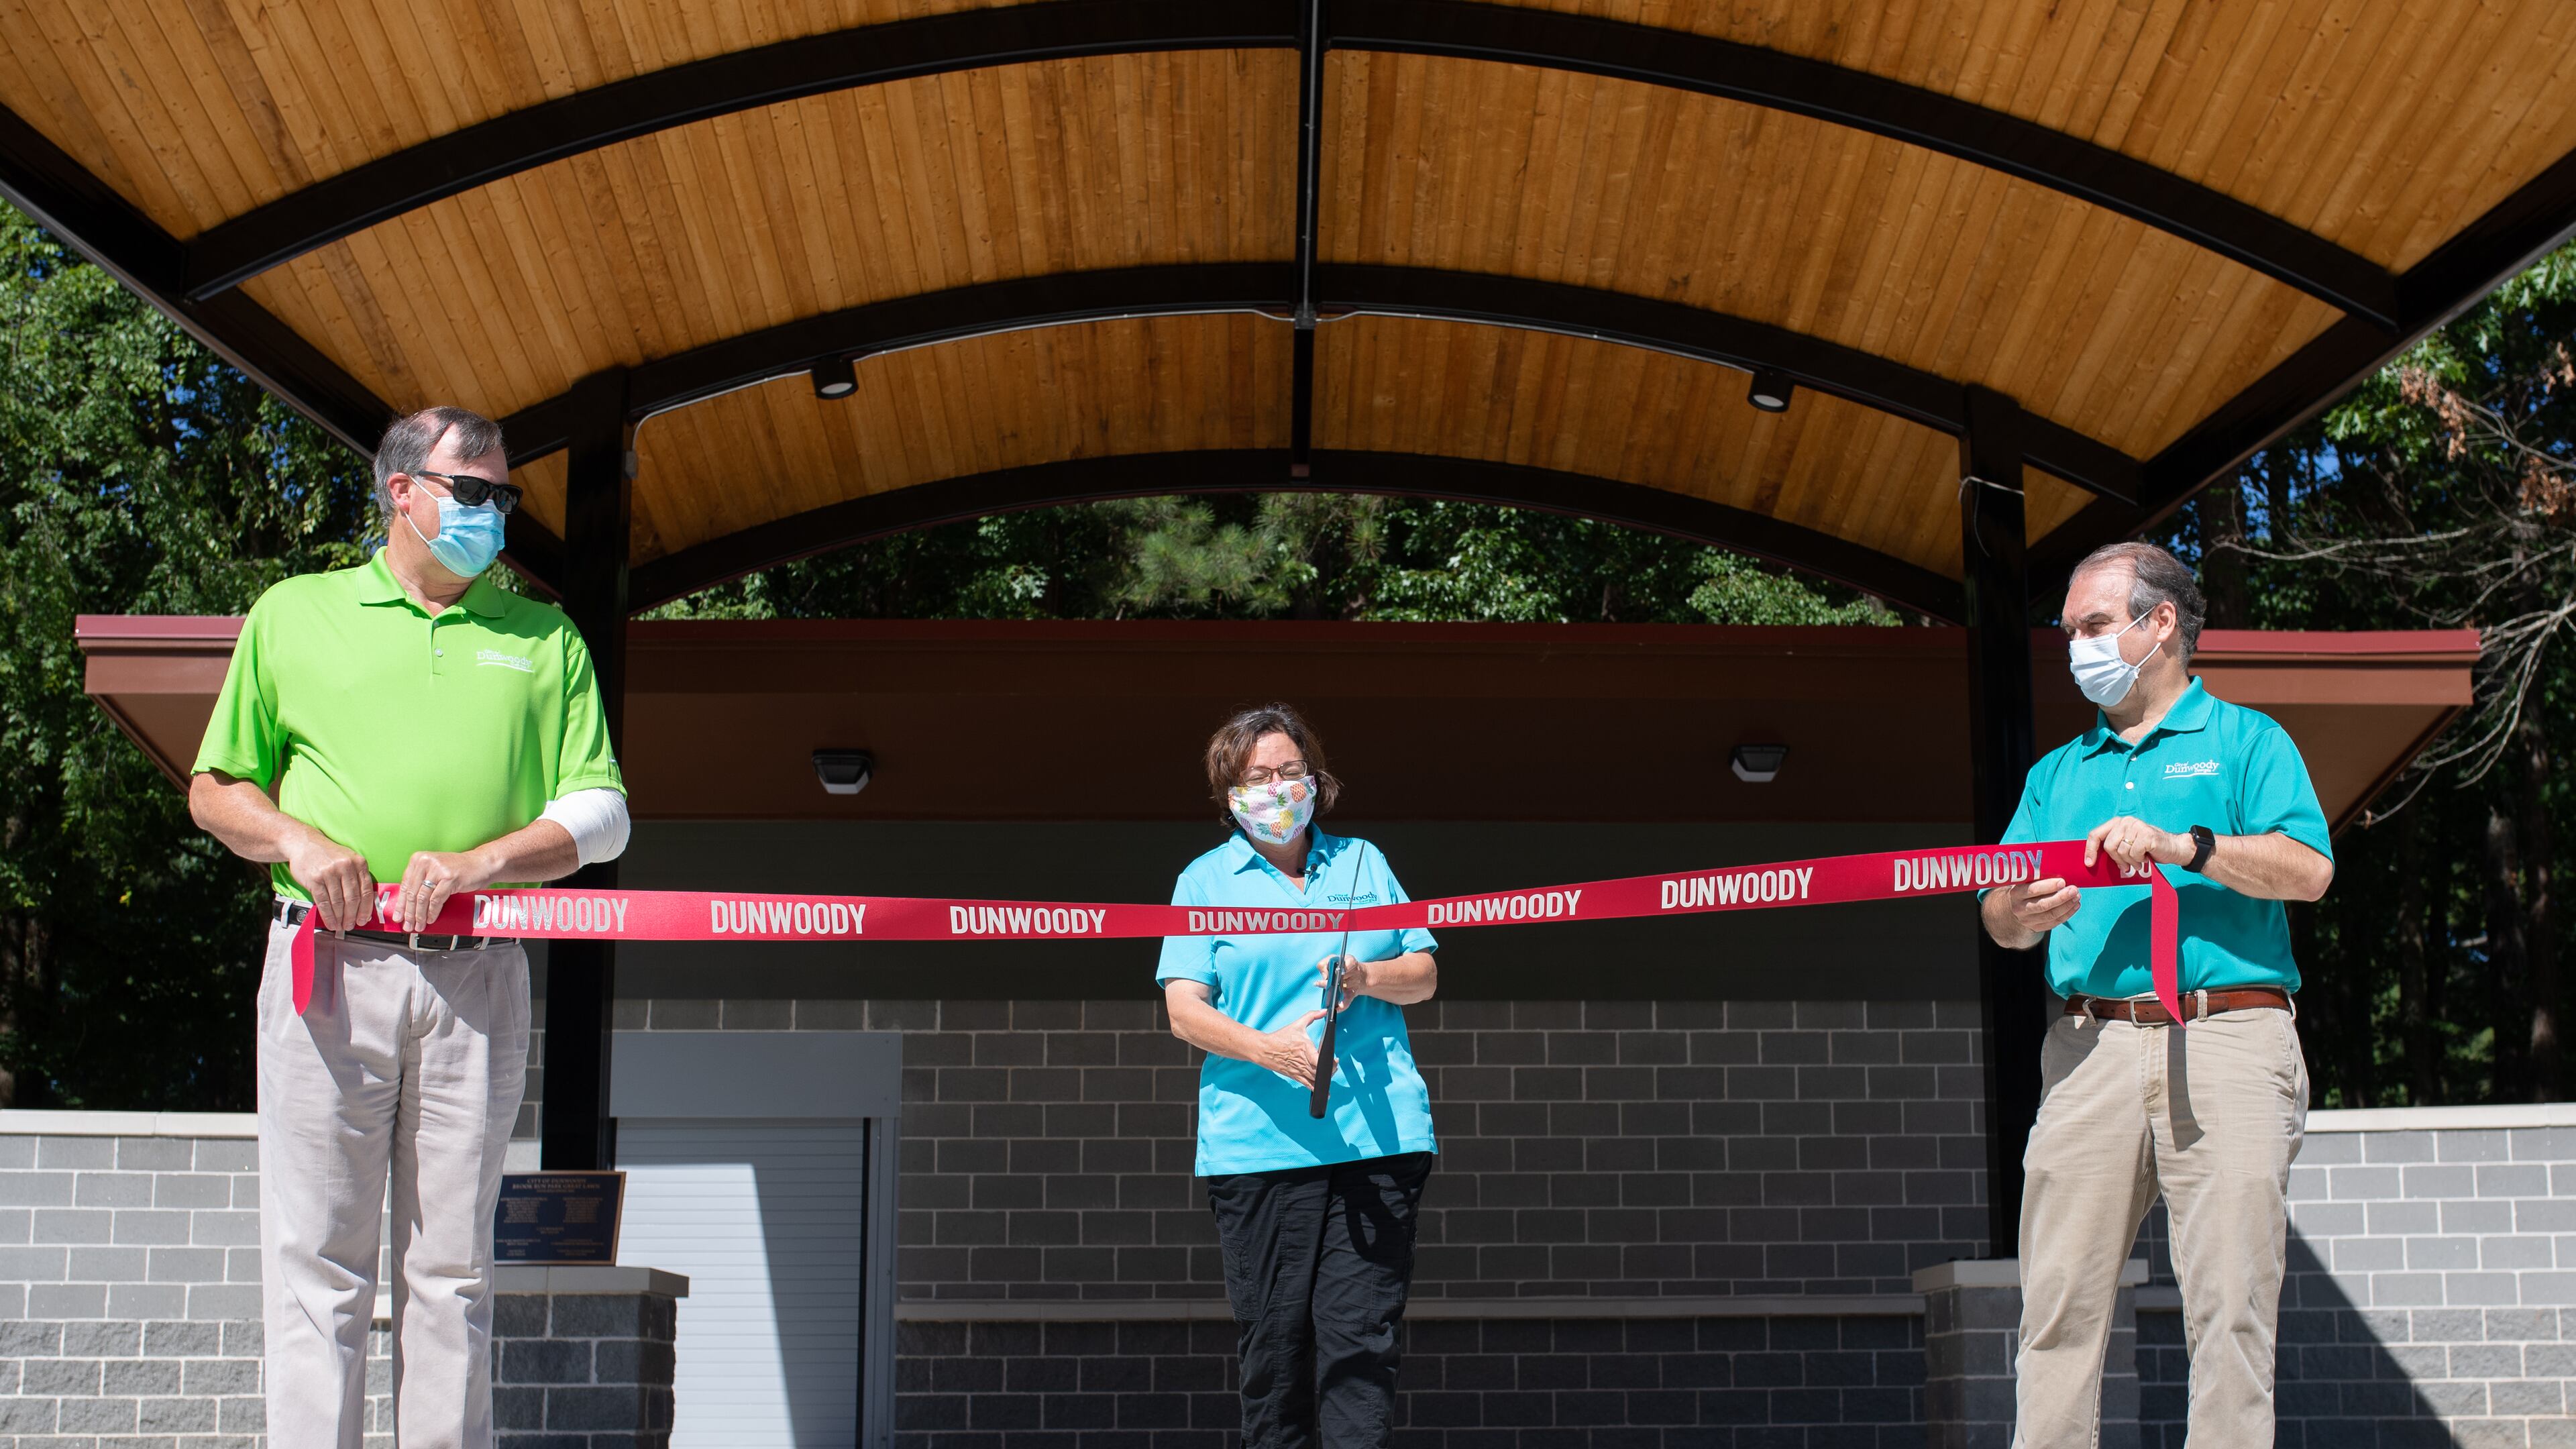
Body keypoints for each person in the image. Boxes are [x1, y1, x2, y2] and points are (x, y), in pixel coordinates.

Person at [189, 407, 631, 1449]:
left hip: (477, 979)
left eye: (505, 499)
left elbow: (601, 815)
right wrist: (297, 840)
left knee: (452, 1273)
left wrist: (484, 863)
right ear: (401, 490)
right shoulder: (296, 614)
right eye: (472, 493)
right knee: (317, 1268)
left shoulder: (544, 638)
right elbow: (214, 791)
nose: (494, 515)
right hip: (323, 968)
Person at [1979, 541, 2335, 1447]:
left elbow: (2309, 870)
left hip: (2228, 1038)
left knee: (2231, 1309)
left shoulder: (2250, 741)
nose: (2075, 648)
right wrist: (2021, 912)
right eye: (2068, 632)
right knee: (2057, 1308)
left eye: (2095, 626)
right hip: (2088, 1050)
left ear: (2161, 623)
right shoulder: (2054, 774)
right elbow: (2000, 916)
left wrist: (2188, 847)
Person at [1157, 704, 1440, 1449]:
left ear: (1315, 780)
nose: (1277, 787)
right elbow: (1184, 1011)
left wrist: (1367, 973)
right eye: (1258, 777)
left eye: (1290, 772)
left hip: (1377, 1144)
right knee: (1277, 1357)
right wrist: (1264, 1049)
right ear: (1229, 795)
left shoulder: (1363, 863)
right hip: (1260, 1150)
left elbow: (1425, 973)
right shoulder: (1204, 882)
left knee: (1360, 1350)